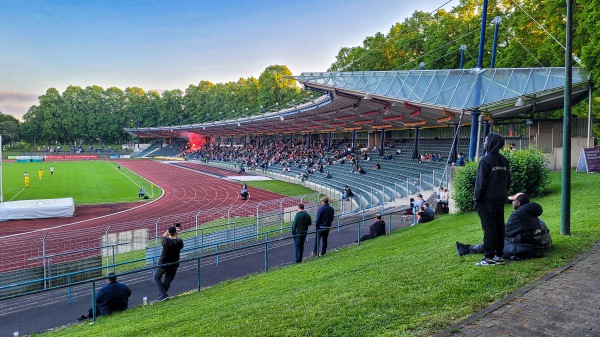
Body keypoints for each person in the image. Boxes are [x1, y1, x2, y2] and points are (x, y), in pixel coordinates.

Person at [456, 192, 552, 260]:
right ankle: (469, 249)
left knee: (495, 240)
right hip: (533, 241)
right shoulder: (531, 211)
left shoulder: (518, 214)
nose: (512, 203)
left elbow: (504, 232)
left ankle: (468, 249)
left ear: (518, 203)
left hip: (525, 242)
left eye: (513, 201)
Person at [473, 132, 511, 266]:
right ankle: (499, 256)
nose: (484, 143)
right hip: (500, 199)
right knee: (499, 227)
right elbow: (508, 181)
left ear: (491, 143)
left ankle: (489, 257)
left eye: (486, 140)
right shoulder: (504, 160)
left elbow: (481, 183)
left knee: (489, 229)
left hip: (487, 201)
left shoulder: (485, 160)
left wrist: (477, 198)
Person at [153, 225, 184, 301]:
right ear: (175, 232)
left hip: (164, 263)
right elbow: (179, 242)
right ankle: (162, 297)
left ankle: (163, 295)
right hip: (174, 264)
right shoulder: (180, 242)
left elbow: (163, 237)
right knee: (167, 281)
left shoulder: (166, 241)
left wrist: (168, 230)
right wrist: (176, 234)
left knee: (156, 278)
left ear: (169, 233)